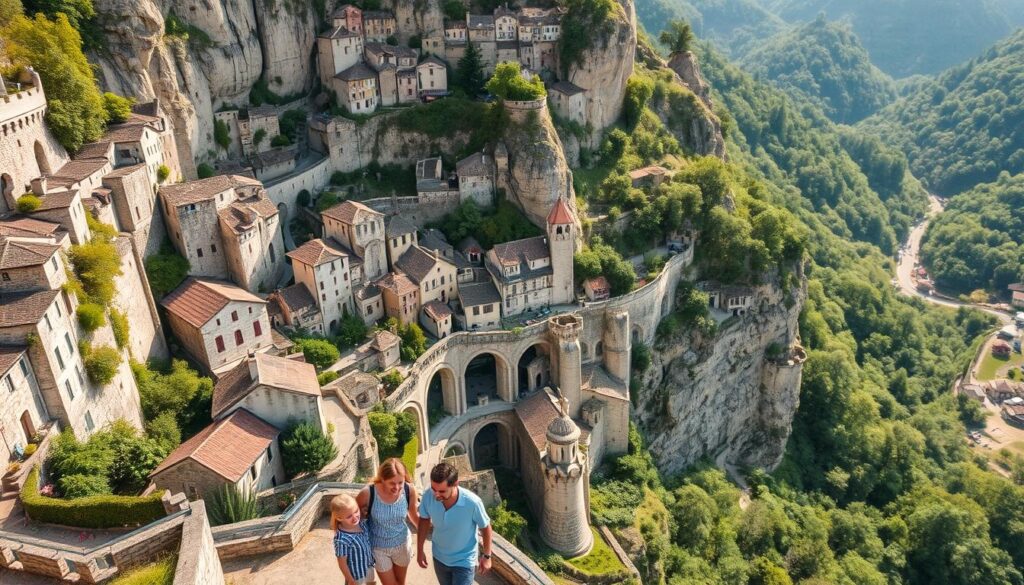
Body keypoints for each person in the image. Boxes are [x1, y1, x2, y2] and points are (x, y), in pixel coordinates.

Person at [417, 462, 492, 585]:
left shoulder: (472, 503)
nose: (436, 495)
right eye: (433, 489)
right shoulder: (428, 496)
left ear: (455, 484)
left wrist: (487, 556)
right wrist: (420, 550)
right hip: (439, 558)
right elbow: (424, 520)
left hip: (465, 561)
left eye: (441, 491)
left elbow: (486, 527)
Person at [356, 458, 419, 585]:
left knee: (401, 582)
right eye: (392, 483)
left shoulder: (409, 490)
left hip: (402, 545)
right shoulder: (368, 493)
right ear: (383, 479)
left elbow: (414, 516)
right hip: (378, 548)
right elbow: (355, 521)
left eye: (400, 482)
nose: (397, 487)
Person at [331, 494, 374, 585]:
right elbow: (342, 563)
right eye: (349, 516)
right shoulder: (342, 539)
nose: (355, 517)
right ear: (339, 518)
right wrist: (350, 579)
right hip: (356, 576)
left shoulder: (362, 523)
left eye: (356, 511)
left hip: (369, 568)